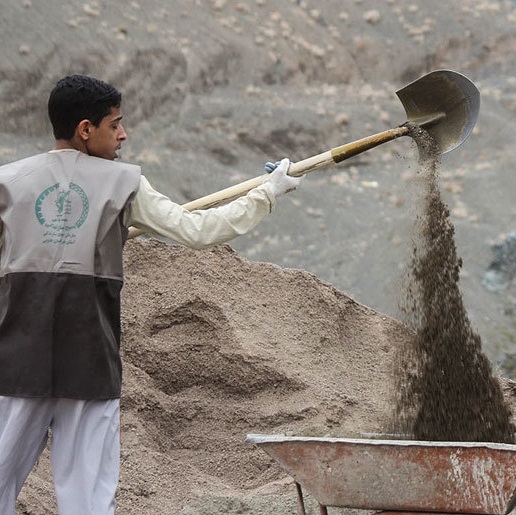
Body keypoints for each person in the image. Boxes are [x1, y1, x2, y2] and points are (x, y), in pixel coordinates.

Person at [0, 74, 301, 514]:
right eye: (115, 124)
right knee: (87, 500)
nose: (123, 135)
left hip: (14, 359)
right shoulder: (124, 184)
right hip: (88, 360)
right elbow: (199, 231)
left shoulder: (8, 182)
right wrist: (267, 193)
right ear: (85, 129)